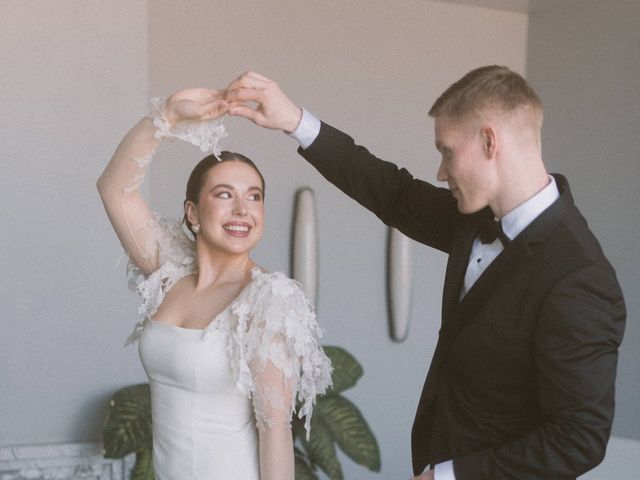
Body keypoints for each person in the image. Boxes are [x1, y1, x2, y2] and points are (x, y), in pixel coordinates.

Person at [225, 67, 626, 479]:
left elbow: (578, 438)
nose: (440, 171)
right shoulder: (474, 218)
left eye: (447, 152)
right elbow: (394, 193)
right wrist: (295, 122)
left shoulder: (578, 277)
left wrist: (450, 476)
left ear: (490, 141)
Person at [97, 87, 332, 480]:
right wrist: (168, 116)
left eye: (254, 197)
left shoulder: (268, 300)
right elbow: (114, 189)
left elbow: (275, 436)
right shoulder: (168, 273)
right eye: (225, 194)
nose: (242, 209)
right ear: (193, 212)